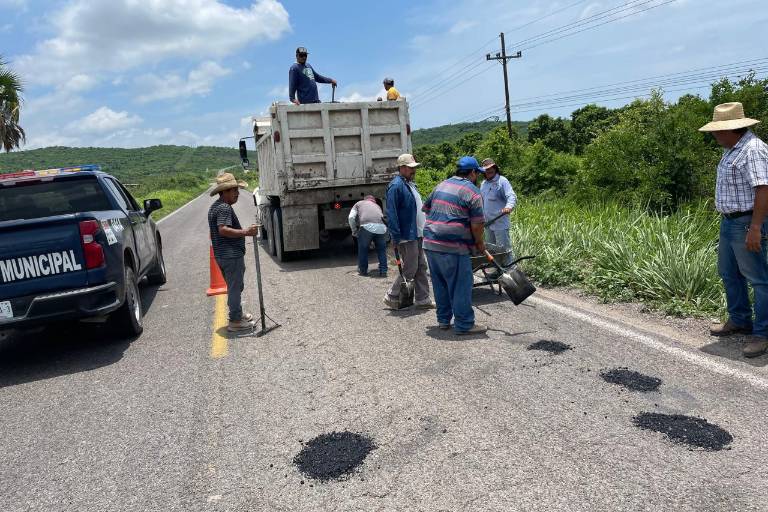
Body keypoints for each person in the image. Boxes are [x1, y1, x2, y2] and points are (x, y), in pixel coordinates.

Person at [699, 102, 768, 358]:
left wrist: (756, 227)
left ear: (732, 129)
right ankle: (739, 320)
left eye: (717, 131)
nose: (714, 136)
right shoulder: (733, 149)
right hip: (730, 222)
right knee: (728, 273)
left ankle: (762, 334)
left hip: (746, 222)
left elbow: (764, 189)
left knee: (759, 279)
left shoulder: (752, 149)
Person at [422, 156, 487, 335]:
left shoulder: (441, 185)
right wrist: (479, 243)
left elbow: (426, 209)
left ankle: (443, 320)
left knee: (440, 282)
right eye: (477, 173)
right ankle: (465, 324)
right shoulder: (473, 192)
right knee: (461, 285)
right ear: (473, 173)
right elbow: (477, 224)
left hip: (430, 242)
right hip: (453, 246)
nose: (478, 177)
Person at [207, 173, 258, 332]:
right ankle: (235, 321)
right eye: (233, 190)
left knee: (235, 286)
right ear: (224, 192)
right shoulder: (224, 207)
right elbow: (223, 230)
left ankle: (238, 313)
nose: (237, 193)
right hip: (230, 255)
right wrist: (246, 232)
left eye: (237, 189)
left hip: (223, 255)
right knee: (235, 288)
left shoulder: (215, 206)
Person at [384, 153, 434, 309]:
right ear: (402, 168)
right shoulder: (396, 186)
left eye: (414, 168)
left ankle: (423, 299)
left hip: (417, 233)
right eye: (411, 168)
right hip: (406, 234)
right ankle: (392, 295)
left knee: (421, 266)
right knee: (411, 267)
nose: (414, 171)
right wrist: (395, 236)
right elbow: (391, 213)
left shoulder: (410, 184)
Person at [480, 158, 517, 268]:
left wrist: (508, 207)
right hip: (487, 223)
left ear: (495, 168)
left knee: (504, 250)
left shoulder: (502, 181)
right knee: (492, 250)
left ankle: (511, 271)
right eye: (486, 169)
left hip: (500, 222)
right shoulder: (483, 184)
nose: (489, 171)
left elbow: (511, 196)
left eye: (491, 168)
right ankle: (498, 271)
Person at [349, 195, 388, 277]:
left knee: (363, 249)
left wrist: (354, 231)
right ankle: (383, 271)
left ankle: (363, 270)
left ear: (365, 199)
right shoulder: (377, 206)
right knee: (381, 250)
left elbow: (351, 217)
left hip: (367, 226)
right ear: (373, 201)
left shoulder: (359, 203)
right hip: (382, 228)